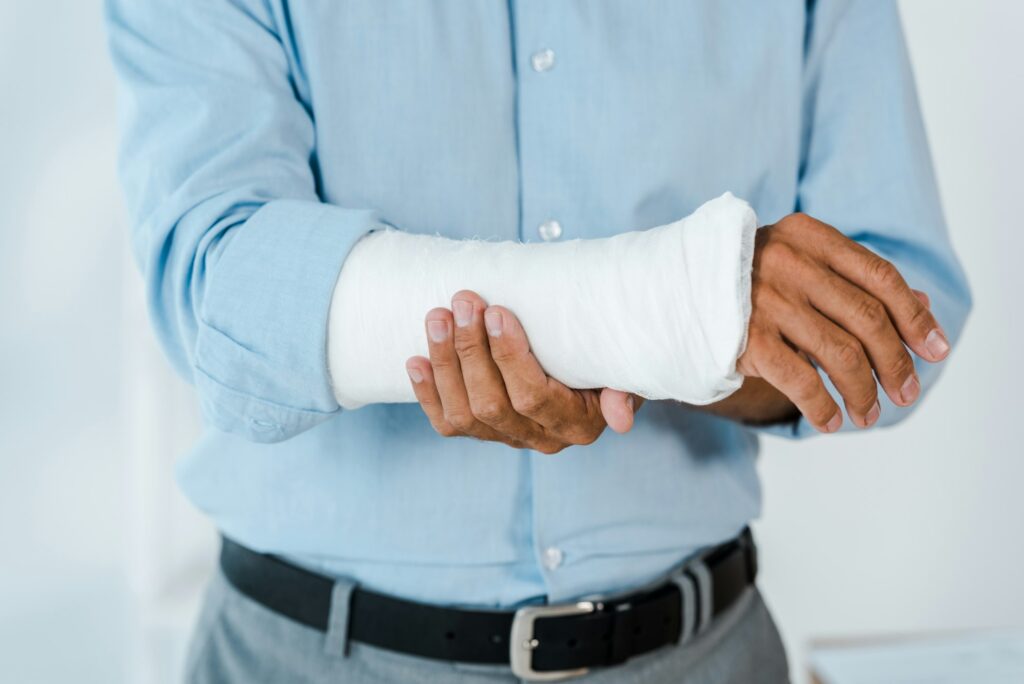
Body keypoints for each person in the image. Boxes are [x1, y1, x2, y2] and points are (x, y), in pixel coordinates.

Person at [107, 1, 971, 682]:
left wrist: (695, 332)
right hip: (307, 657)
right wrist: (680, 306)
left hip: (703, 657)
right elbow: (221, 290)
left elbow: (899, 322)